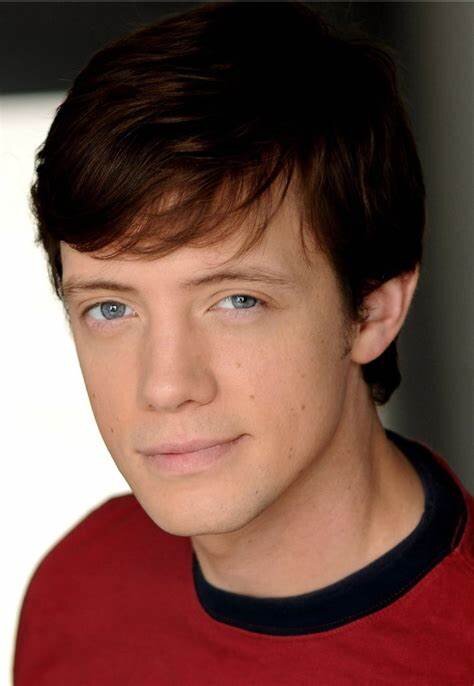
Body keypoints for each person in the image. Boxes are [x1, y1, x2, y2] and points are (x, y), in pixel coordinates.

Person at [13, 2, 473, 684]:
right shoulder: (76, 591)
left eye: (237, 301)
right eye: (111, 307)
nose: (165, 386)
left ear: (373, 312)